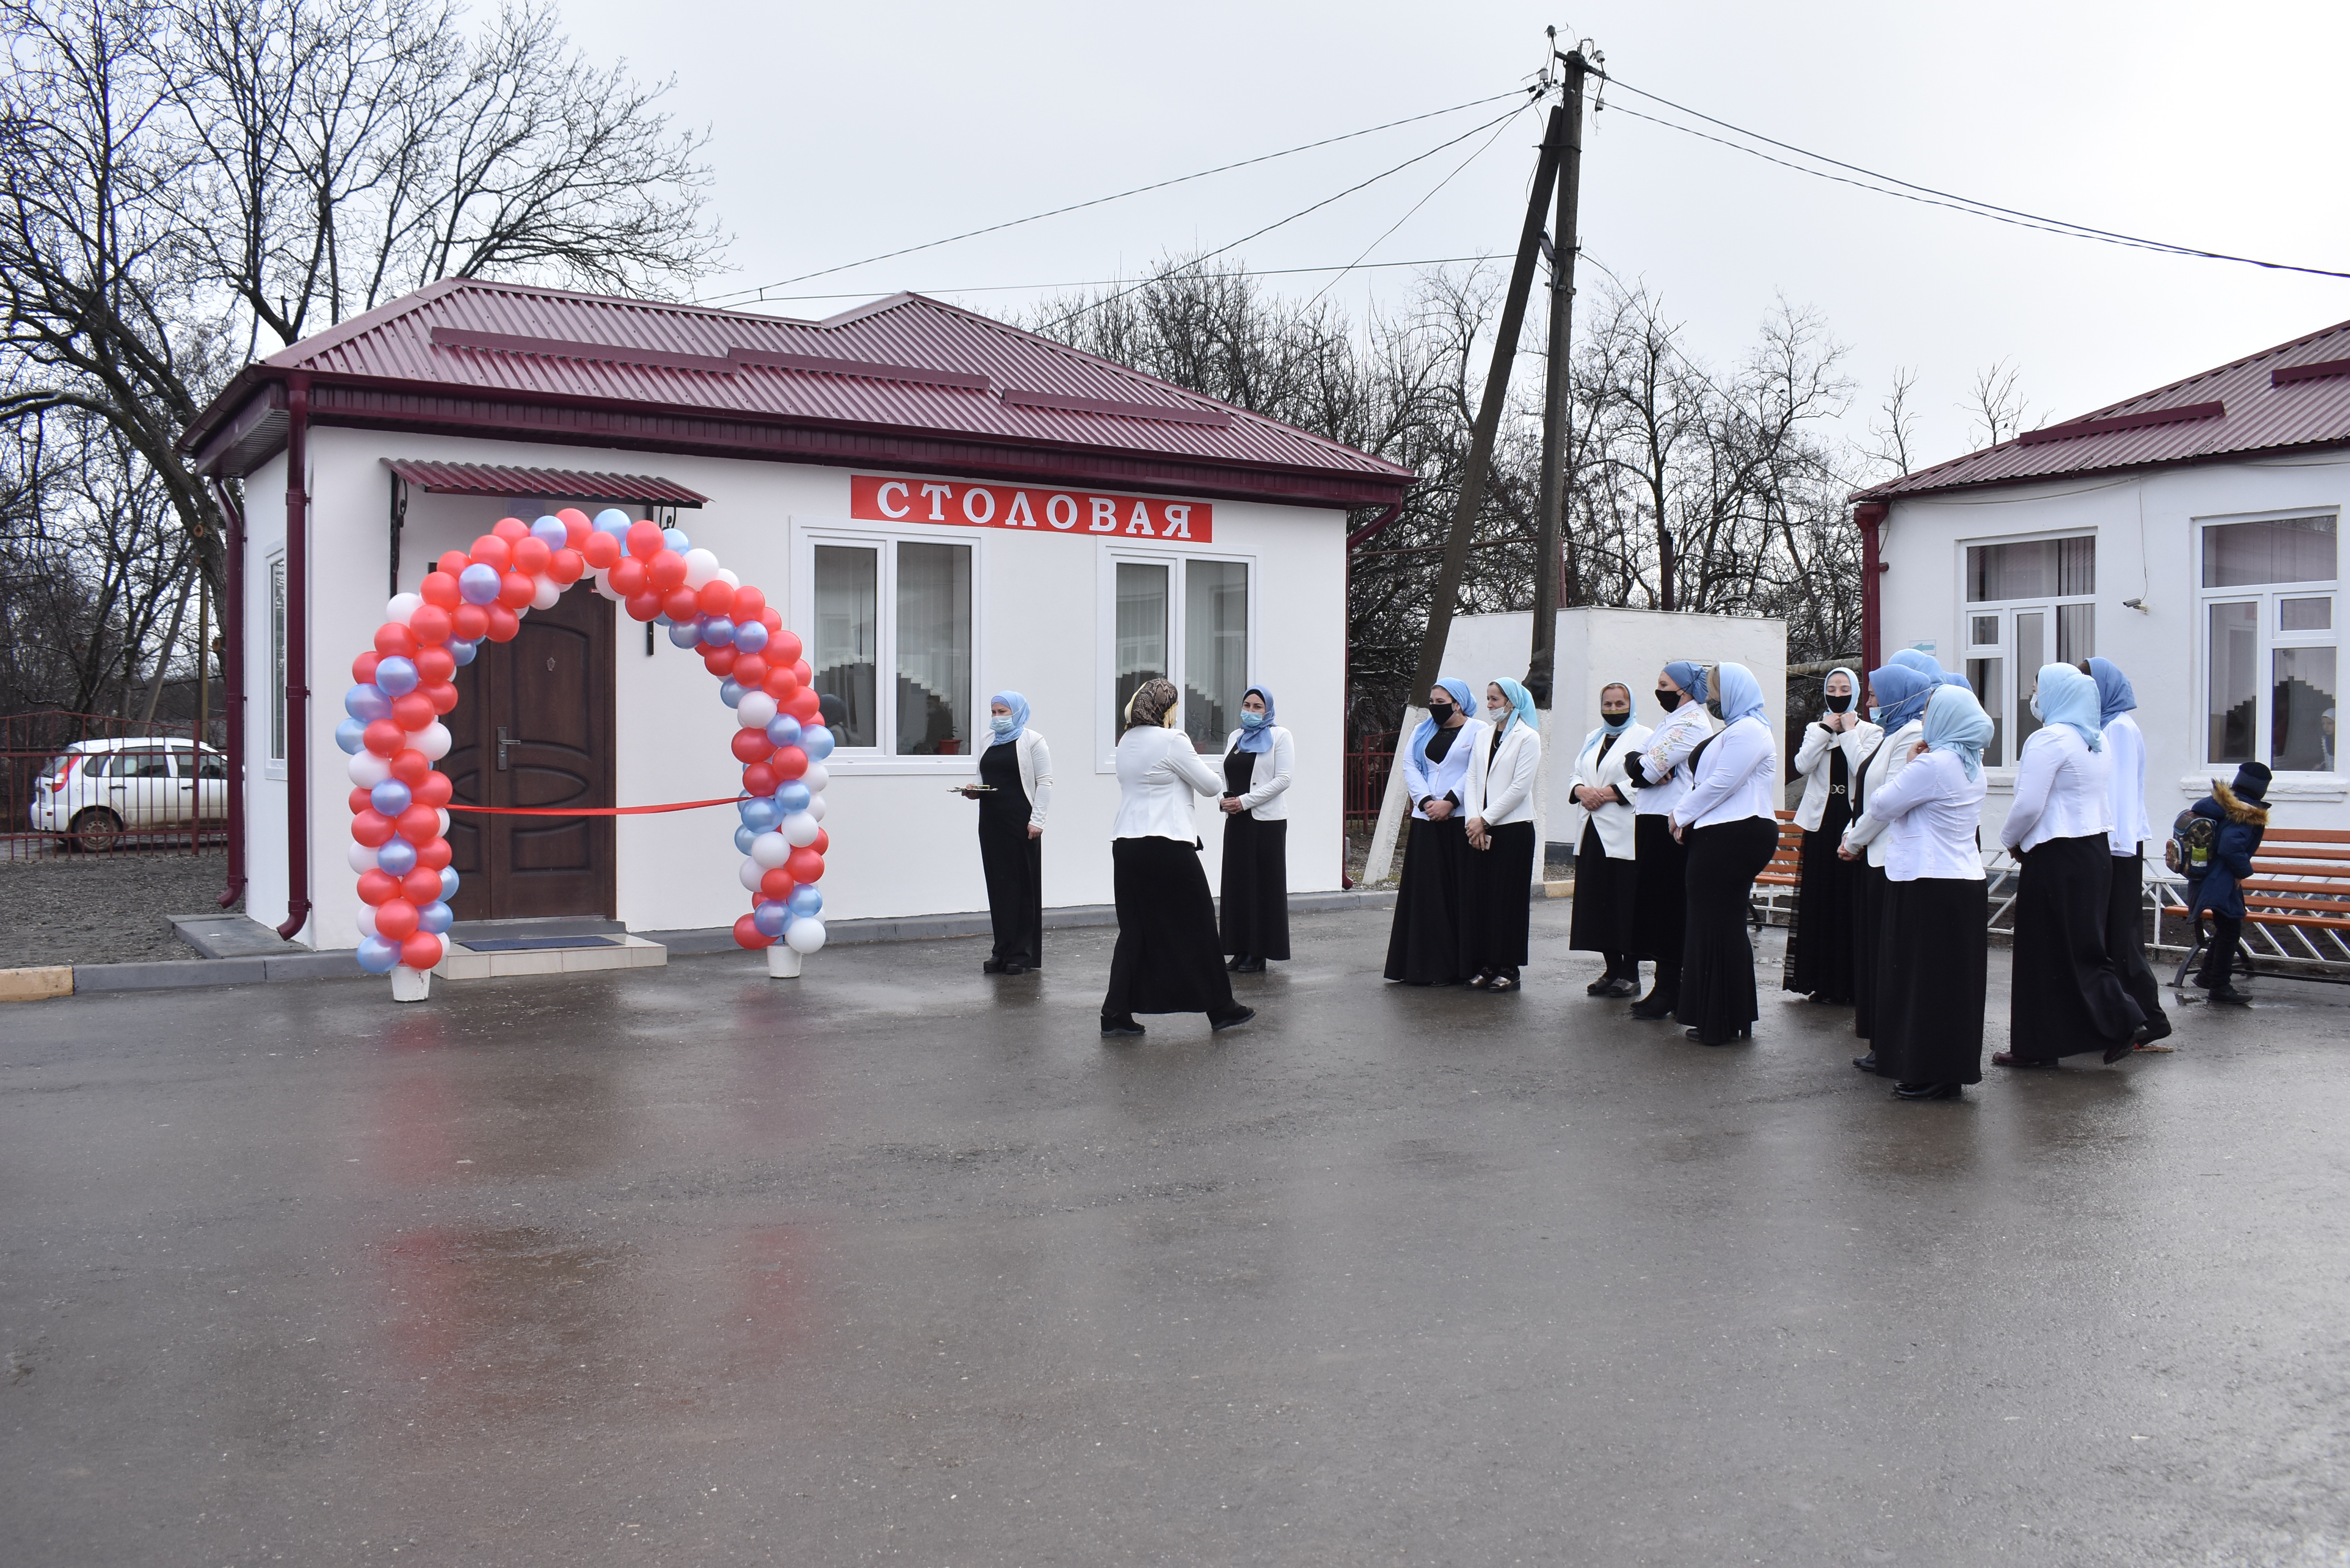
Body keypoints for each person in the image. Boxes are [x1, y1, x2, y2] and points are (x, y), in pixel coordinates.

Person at [1840, 684, 1994, 1099]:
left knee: (1920, 981)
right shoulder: (1971, 764)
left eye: (1930, 711)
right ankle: (1947, 1069)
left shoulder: (1934, 764)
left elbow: (1883, 804)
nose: (1924, 718)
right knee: (1951, 985)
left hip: (1926, 882)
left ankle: (1925, 1069)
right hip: (1961, 881)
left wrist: (1909, 762)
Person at [1994, 663, 2149, 1067]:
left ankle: (2119, 1021)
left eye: (2038, 689)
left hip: (2056, 855)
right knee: (2081, 948)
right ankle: (2048, 1042)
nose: (2035, 697)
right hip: (2094, 851)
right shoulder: (2094, 740)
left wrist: (2009, 840)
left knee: (2042, 953)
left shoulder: (2049, 740)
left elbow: (2029, 804)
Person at [1099, 678, 1255, 1037]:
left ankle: (1115, 1012)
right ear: (1165, 708)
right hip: (1166, 844)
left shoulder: (1125, 741)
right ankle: (1222, 1009)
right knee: (1199, 923)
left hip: (1126, 842)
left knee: (1134, 931)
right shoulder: (1173, 740)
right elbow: (1212, 786)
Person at [1669, 662, 1780, 1045]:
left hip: (1735, 833)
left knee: (1717, 925)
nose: (1711, 698)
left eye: (1716, 691)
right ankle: (1727, 1014)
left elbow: (1722, 783)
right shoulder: (1736, 729)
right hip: (1723, 832)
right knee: (1715, 924)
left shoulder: (1750, 730)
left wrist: (1680, 814)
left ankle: (1720, 1019)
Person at [1847, 662, 1934, 1073]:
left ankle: (1891, 1044)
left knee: (1890, 956)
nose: (1868, 701)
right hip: (1874, 853)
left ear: (1899, 695)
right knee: (1875, 954)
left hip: (1888, 856)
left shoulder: (1913, 736)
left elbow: (1887, 800)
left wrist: (1854, 839)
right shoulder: (1890, 734)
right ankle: (1880, 1038)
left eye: (1875, 695)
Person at [1621, 662, 1717, 1019]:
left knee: (1668, 907)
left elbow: (1646, 769)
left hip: (1671, 822)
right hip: (1649, 818)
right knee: (1654, 905)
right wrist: (1640, 765)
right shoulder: (1670, 722)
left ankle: (1669, 988)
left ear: (1686, 689)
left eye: (1664, 684)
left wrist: (1641, 767)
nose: (1658, 690)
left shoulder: (1691, 725)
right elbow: (1632, 762)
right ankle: (1665, 986)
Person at [2087, 656, 2173, 1047]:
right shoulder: (2107, 725)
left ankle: (2150, 1017)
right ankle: (2129, 1016)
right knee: (2115, 935)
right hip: (2115, 842)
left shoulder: (2118, 728)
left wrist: (2113, 847)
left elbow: (2118, 792)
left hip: (2118, 845)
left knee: (2122, 936)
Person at [1783, 667, 1880, 1005]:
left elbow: (1864, 770)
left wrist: (1850, 731)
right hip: (1821, 823)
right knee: (1820, 900)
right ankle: (1819, 980)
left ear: (1854, 692)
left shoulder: (1871, 731)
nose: (1837, 694)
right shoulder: (1816, 728)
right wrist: (1826, 729)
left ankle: (1849, 983)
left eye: (1844, 688)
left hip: (1851, 820)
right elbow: (1801, 765)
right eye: (1832, 688)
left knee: (1847, 903)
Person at [1384, 679, 1488, 985]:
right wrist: (1428, 801)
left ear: (1457, 702)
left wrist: (1450, 802)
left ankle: (1456, 967)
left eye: (1441, 701)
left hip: (1459, 819)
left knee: (1459, 894)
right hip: (1426, 819)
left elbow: (1477, 770)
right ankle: (1421, 967)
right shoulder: (1422, 730)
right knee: (1426, 895)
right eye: (1432, 700)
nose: (1435, 706)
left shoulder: (1479, 730)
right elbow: (1410, 766)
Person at [1565, 683, 1651, 998]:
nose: (1614, 709)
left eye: (1620, 704)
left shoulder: (1644, 736)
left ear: (1631, 704)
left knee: (1624, 903)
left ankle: (1631, 974)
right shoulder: (1594, 737)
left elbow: (1647, 776)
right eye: (1608, 704)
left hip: (1623, 831)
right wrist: (1581, 791)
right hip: (1591, 830)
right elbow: (1576, 772)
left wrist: (1612, 793)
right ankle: (1611, 969)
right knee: (1597, 903)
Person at [1460, 677, 1543, 992]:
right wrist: (1472, 821)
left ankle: (1509, 967)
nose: (1491, 705)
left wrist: (1485, 819)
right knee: (1482, 898)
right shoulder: (1483, 736)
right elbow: (1472, 780)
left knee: (1508, 901)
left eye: (1496, 699)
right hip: (1479, 827)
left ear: (1512, 702)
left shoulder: (1528, 737)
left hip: (1513, 829)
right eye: (1488, 699)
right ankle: (1487, 964)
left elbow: (1519, 789)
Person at [961, 691, 1050, 975]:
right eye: (994, 712)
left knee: (1022, 886)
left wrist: (1038, 820)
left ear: (1018, 712)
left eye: (1003, 712)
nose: (998, 718)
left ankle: (1021, 954)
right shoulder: (988, 740)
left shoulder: (1033, 741)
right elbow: (981, 774)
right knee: (999, 885)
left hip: (1021, 821)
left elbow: (1045, 782)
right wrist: (973, 791)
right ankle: (1002, 949)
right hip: (991, 820)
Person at [1218, 685, 1294, 973]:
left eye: (1257, 707)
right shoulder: (1236, 737)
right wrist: (1224, 800)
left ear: (1268, 710)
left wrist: (1245, 802)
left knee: (1262, 886)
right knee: (1237, 884)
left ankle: (1258, 952)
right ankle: (1238, 948)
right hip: (1236, 820)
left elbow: (1283, 779)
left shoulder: (1280, 736)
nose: (1250, 712)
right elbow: (1223, 774)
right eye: (1247, 706)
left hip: (1266, 823)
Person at [2184, 763, 2270, 1005]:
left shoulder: (2219, 804)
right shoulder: (2243, 813)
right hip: (2222, 877)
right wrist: (2244, 871)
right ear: (2261, 790)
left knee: (2227, 927)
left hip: (2205, 874)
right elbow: (2230, 846)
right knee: (2230, 929)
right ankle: (2220, 986)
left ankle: (2206, 976)